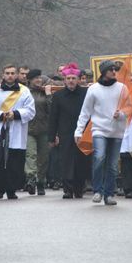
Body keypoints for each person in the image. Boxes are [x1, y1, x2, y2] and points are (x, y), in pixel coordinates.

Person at [74, 60, 132, 206]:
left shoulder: (122, 88)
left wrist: (122, 114)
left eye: (115, 69)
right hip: (99, 128)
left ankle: (109, 194)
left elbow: (130, 107)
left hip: (117, 130)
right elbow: (85, 111)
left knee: (112, 164)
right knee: (99, 157)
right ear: (104, 72)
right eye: (111, 69)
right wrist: (79, 130)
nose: (114, 72)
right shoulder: (93, 89)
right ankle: (97, 191)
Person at [0, 64, 36, 200]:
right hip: (0, 129)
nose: (10, 75)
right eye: (7, 73)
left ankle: (12, 189)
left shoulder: (24, 90)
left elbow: (31, 110)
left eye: (12, 73)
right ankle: (0, 188)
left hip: (17, 130)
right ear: (3, 74)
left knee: (15, 161)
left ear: (16, 75)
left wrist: (16, 114)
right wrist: (1, 115)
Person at [48, 63, 92, 198]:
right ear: (64, 80)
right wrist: (52, 136)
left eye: (74, 78)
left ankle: (79, 188)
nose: (71, 81)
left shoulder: (86, 93)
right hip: (65, 133)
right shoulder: (58, 96)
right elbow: (53, 117)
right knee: (66, 161)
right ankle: (67, 188)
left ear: (78, 79)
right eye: (68, 78)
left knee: (81, 160)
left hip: (82, 132)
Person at [24, 69, 52, 196]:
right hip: (29, 129)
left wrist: (48, 95)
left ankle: (41, 182)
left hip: (44, 129)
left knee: (43, 158)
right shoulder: (25, 92)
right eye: (35, 78)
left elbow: (52, 110)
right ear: (29, 80)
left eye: (40, 78)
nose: (38, 80)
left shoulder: (44, 92)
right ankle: (31, 179)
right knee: (31, 155)